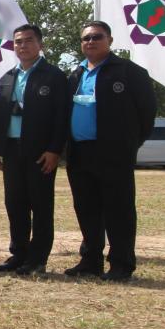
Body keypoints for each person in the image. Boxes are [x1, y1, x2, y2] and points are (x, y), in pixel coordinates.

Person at [65, 20, 157, 282]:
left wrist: (129, 144)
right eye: (86, 38)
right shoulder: (76, 74)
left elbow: (147, 113)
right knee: (86, 208)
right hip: (80, 153)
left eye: (97, 37)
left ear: (110, 40)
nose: (91, 42)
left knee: (119, 210)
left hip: (114, 154)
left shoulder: (129, 72)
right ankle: (90, 260)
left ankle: (121, 264)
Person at [0, 24, 68, 276]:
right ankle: (19, 254)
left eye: (28, 41)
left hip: (40, 151)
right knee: (15, 203)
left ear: (40, 44)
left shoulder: (53, 76)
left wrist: (55, 149)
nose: (22, 46)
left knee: (41, 205)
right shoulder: (7, 77)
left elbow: (62, 116)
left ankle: (38, 258)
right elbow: (0, 113)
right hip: (12, 149)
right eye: (18, 42)